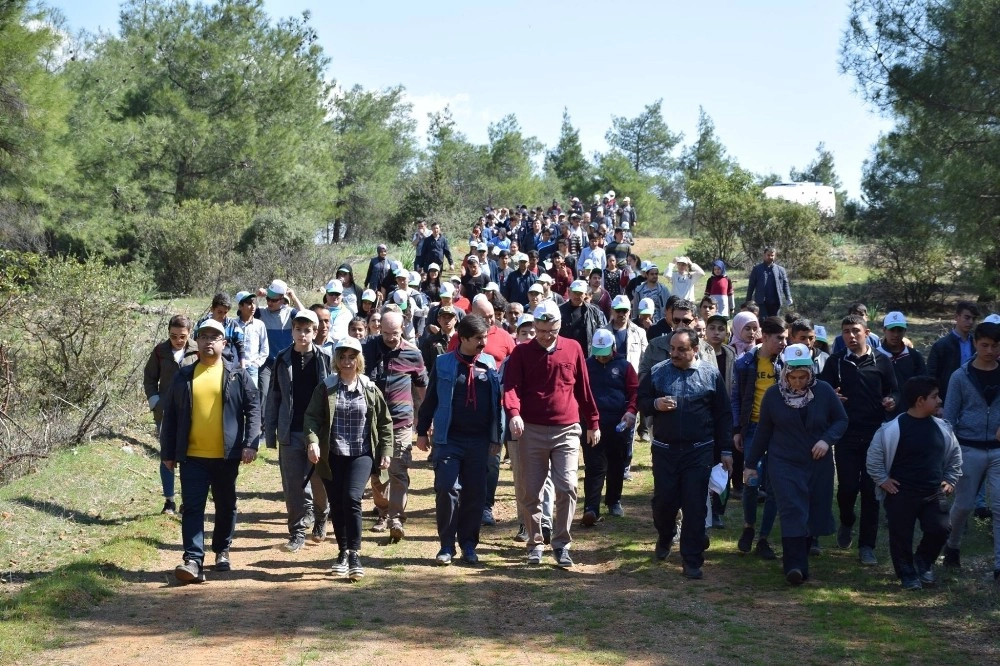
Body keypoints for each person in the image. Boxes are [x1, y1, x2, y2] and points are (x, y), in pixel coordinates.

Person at [160, 319, 260, 583]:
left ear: (223, 343)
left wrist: (250, 443)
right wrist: (168, 453)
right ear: (197, 342)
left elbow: (253, 407)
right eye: (203, 337)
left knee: (226, 505)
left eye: (214, 337)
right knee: (193, 507)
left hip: (226, 457)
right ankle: (193, 559)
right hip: (192, 457)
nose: (208, 342)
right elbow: (170, 415)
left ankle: (222, 550)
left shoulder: (237, 375)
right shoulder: (184, 376)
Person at [504, 301, 600, 567]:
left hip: (567, 429)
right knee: (531, 490)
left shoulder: (573, 348)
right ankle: (535, 543)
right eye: (541, 330)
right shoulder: (522, 353)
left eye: (552, 330)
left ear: (560, 326)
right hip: (531, 430)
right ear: (534, 326)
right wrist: (514, 414)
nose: (546, 335)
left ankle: (561, 543)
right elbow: (511, 388)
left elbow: (584, 388)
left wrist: (593, 421)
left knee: (568, 486)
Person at [746, 344, 848, 585]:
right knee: (792, 509)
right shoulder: (773, 395)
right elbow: (763, 432)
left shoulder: (823, 391)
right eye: (793, 377)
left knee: (811, 511)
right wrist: (751, 464)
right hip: (783, 462)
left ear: (811, 373)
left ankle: (801, 562)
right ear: (785, 373)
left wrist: (826, 440)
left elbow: (841, 420)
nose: (798, 382)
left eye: (803, 377)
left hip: (817, 463)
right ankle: (794, 566)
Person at [638, 328, 733, 579]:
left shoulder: (710, 375)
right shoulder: (658, 372)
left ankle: (692, 560)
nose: (675, 354)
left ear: (694, 349)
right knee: (664, 503)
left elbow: (723, 414)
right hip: (665, 451)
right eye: (672, 348)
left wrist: (725, 450)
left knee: (694, 506)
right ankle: (665, 534)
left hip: (698, 451)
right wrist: (654, 405)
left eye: (681, 349)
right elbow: (641, 399)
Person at [416, 315, 502, 565]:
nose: (483, 342)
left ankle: (468, 544)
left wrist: (497, 436)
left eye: (485, 337)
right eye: (478, 338)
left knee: (475, 493)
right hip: (449, 439)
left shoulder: (489, 364)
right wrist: (422, 431)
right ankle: (446, 545)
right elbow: (430, 399)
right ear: (463, 338)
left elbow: (498, 404)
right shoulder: (443, 363)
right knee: (447, 488)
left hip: (480, 441)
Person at [305, 336, 392, 581]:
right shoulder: (326, 386)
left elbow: (385, 423)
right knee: (338, 503)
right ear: (336, 360)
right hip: (332, 455)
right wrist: (312, 441)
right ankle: (342, 552)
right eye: (342, 357)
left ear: (359, 360)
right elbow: (311, 418)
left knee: (352, 498)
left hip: (361, 453)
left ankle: (355, 553)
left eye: (351, 357)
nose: (346, 362)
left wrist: (385, 451)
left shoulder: (369, 388)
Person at [818, 314, 899, 566]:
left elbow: (895, 389)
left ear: (867, 332)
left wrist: (891, 400)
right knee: (847, 488)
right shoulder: (836, 362)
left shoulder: (882, 361)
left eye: (855, 331)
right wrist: (832, 396)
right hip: (846, 435)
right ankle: (847, 520)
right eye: (845, 332)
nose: (850, 336)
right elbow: (822, 391)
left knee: (871, 492)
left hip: (876, 434)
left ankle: (867, 546)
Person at [867, 376, 962, 590]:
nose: (939, 401)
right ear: (920, 400)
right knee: (901, 536)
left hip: (933, 492)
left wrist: (950, 478)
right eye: (935, 396)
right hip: (901, 494)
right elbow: (874, 457)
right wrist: (882, 480)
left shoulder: (942, 428)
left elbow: (955, 455)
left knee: (941, 528)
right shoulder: (892, 429)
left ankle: (923, 562)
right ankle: (907, 573)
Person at [264, 309, 333, 552]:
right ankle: (296, 532)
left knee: (319, 480)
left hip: (319, 431)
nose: (302, 334)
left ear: (315, 332)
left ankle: (322, 515)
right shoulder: (282, 359)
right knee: (293, 485)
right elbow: (273, 397)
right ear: (292, 330)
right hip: (290, 430)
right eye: (298, 329)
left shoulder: (325, 358)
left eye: (308, 330)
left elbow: (333, 396)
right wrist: (270, 432)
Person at [940, 322, 1000, 580]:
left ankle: (999, 565)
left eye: (995, 346)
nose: (990, 350)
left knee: (999, 505)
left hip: (998, 450)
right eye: (984, 345)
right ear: (975, 344)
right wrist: (948, 453)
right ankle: (952, 545)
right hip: (968, 447)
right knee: (963, 505)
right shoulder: (960, 376)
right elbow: (950, 416)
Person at [362, 310, 428, 541]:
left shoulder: (413, 354)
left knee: (398, 470)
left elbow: (422, 386)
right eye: (386, 333)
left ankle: (396, 517)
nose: (391, 337)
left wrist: (425, 418)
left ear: (403, 329)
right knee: (378, 473)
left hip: (400, 421)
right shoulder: (367, 349)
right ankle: (382, 510)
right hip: (371, 422)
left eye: (395, 333)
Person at [732, 316, 787, 560]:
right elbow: (736, 396)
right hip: (753, 429)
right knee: (751, 481)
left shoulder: (786, 363)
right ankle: (748, 527)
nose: (784, 343)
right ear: (765, 337)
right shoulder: (744, 362)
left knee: (774, 487)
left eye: (785, 338)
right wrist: (737, 429)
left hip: (779, 432)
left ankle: (764, 539)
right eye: (779, 338)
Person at [582, 330, 638, 525]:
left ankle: (614, 500)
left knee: (616, 463)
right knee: (594, 465)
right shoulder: (586, 366)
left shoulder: (624, 366)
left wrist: (631, 411)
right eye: (598, 351)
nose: (601, 356)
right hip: (591, 424)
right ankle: (591, 507)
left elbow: (634, 392)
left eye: (605, 351)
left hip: (618, 423)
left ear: (613, 347)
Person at [143, 314, 198, 514]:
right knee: (167, 455)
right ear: (168, 333)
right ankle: (169, 501)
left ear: (189, 334)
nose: (177, 340)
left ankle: (187, 500)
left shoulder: (197, 350)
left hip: (191, 412)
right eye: (173, 336)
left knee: (188, 456)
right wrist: (155, 402)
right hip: (165, 413)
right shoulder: (160, 351)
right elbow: (149, 378)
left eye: (182, 336)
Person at [255, 279, 304, 425]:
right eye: (268, 298)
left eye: (273, 300)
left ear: (282, 300)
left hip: (285, 361)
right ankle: (263, 426)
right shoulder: (262, 313)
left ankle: (287, 422)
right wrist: (256, 297)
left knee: (287, 392)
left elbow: (306, 316)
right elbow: (247, 312)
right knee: (263, 393)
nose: (269, 302)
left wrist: (294, 297)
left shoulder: (290, 313)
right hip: (267, 362)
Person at [927, 300, 980, 402]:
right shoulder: (941, 345)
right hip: (947, 397)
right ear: (956, 317)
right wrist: (937, 403)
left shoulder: (976, 344)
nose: (970, 322)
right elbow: (931, 376)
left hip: (972, 398)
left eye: (974, 319)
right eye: (967, 317)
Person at [878, 312, 926, 407]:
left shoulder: (914, 356)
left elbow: (924, 383)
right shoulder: (875, 356)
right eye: (892, 330)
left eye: (899, 330)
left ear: (905, 331)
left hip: (911, 409)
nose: (896, 334)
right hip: (883, 411)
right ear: (884, 330)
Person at [233, 291, 268, 388]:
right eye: (248, 303)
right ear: (240, 306)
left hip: (252, 368)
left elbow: (264, 347)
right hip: (235, 368)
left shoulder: (259, 324)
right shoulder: (233, 324)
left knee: (251, 396)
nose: (253, 306)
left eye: (253, 303)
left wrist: (257, 363)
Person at [745, 247, 792, 317]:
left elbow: (785, 284)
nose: (770, 257)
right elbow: (751, 285)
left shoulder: (781, 270)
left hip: (775, 301)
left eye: (772, 255)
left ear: (775, 256)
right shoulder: (757, 269)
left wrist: (788, 297)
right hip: (761, 301)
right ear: (764, 255)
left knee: (774, 322)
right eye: (768, 255)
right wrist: (748, 301)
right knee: (763, 320)